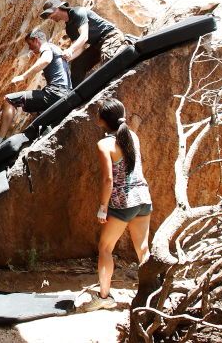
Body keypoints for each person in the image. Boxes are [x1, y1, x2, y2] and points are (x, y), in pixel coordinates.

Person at [80, 98, 152, 312]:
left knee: (105, 248)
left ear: (102, 120)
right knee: (143, 249)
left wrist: (103, 207)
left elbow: (108, 180)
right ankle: (152, 293)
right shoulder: (133, 136)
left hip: (123, 203)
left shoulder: (104, 144)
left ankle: (104, 297)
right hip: (143, 197)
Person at [0, 30, 71, 153]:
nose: (29, 48)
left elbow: (46, 60)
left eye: (30, 44)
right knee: (39, 114)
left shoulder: (47, 47)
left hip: (54, 94)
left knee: (9, 100)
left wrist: (23, 76)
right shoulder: (56, 49)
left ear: (36, 40)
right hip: (65, 94)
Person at [40, 0, 126, 86]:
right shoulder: (69, 29)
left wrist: (70, 50)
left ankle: (121, 81)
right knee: (78, 65)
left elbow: (84, 36)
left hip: (110, 35)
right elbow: (80, 48)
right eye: (48, 15)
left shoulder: (78, 12)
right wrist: (65, 59)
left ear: (58, 8)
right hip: (96, 45)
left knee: (108, 56)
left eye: (50, 13)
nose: (49, 17)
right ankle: (72, 94)